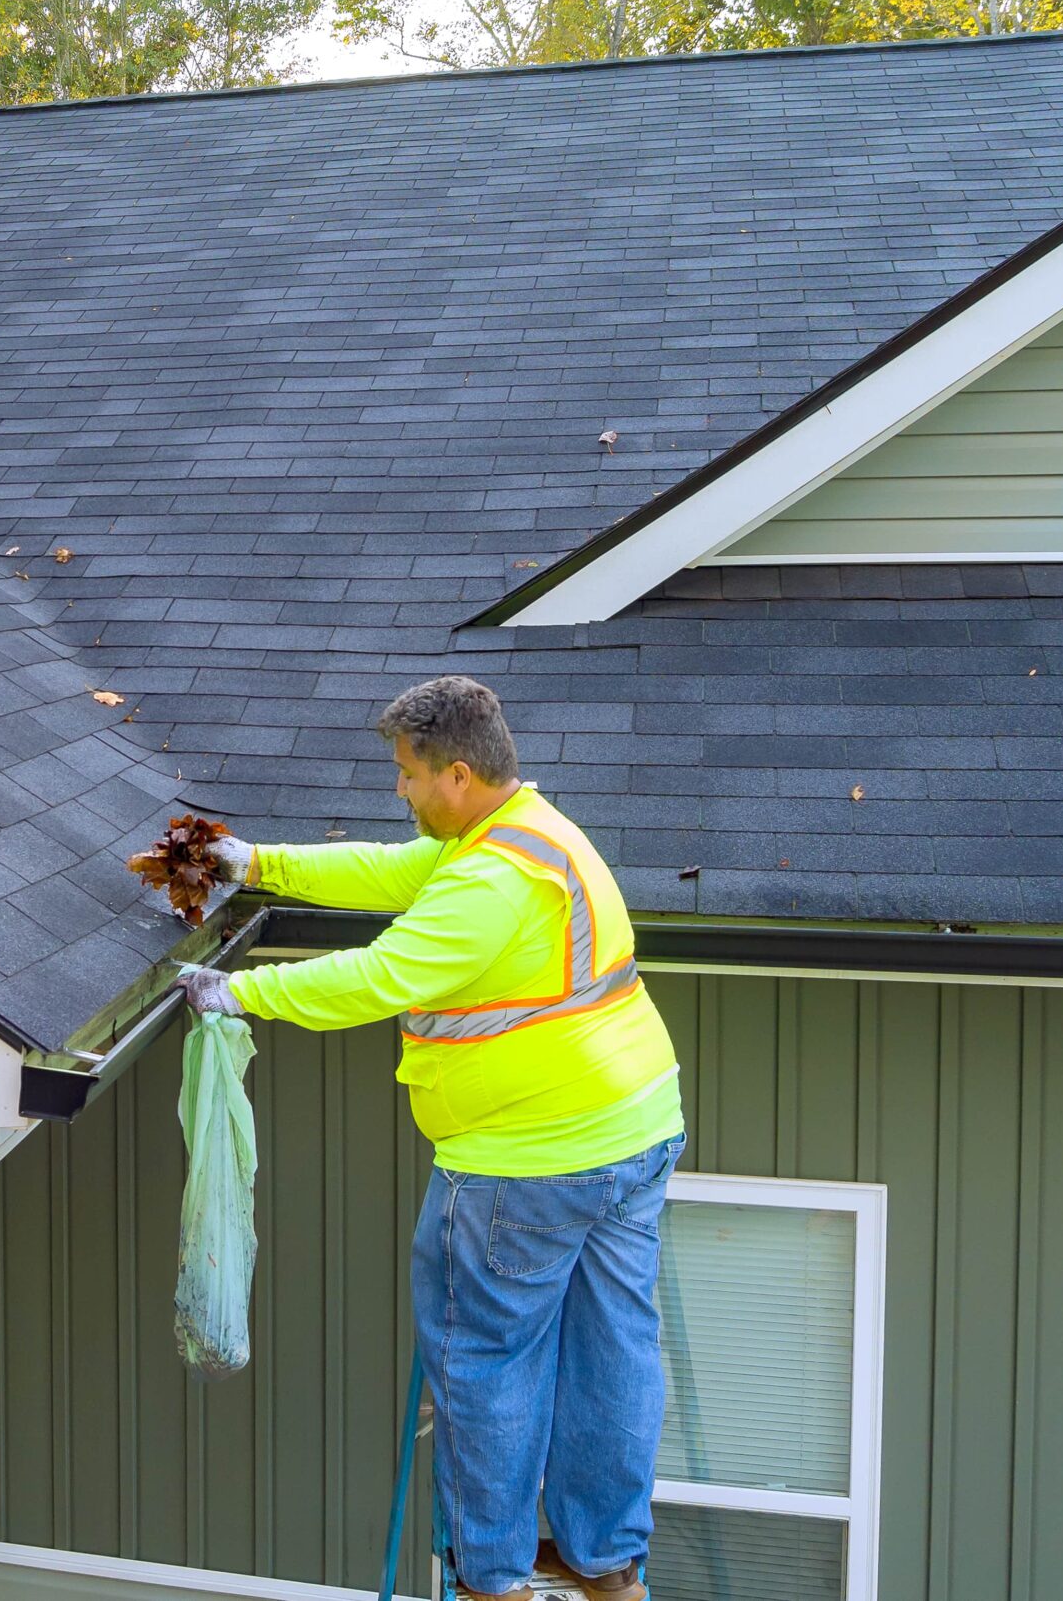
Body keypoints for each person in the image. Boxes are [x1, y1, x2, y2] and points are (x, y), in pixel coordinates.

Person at [171, 675, 683, 1601]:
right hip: (634, 1130)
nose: (398, 792)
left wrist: (239, 993)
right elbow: (388, 872)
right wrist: (261, 864)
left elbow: (382, 976)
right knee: (616, 1348)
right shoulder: (527, 833)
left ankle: (491, 1579)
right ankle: (606, 1563)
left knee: (487, 1362)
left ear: (455, 773)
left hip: (525, 1164)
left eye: (406, 776)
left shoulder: (489, 881)